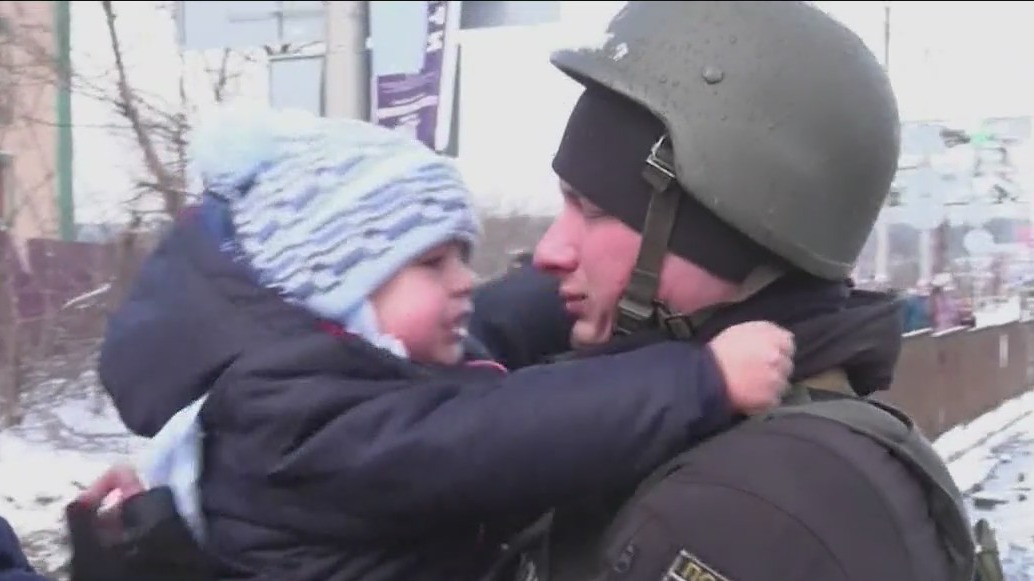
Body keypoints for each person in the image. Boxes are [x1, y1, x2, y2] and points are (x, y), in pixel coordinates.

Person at [76, 106, 796, 581]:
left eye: (461, 255)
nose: (462, 282)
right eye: (432, 263)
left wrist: (586, 280)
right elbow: (499, 433)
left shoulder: (345, 373)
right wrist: (700, 379)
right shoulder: (302, 419)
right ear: (340, 284)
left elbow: (491, 327)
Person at [467, 2, 1002, 580]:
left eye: (593, 210)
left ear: (722, 238)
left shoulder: (749, 512)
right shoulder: (780, 447)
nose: (549, 250)